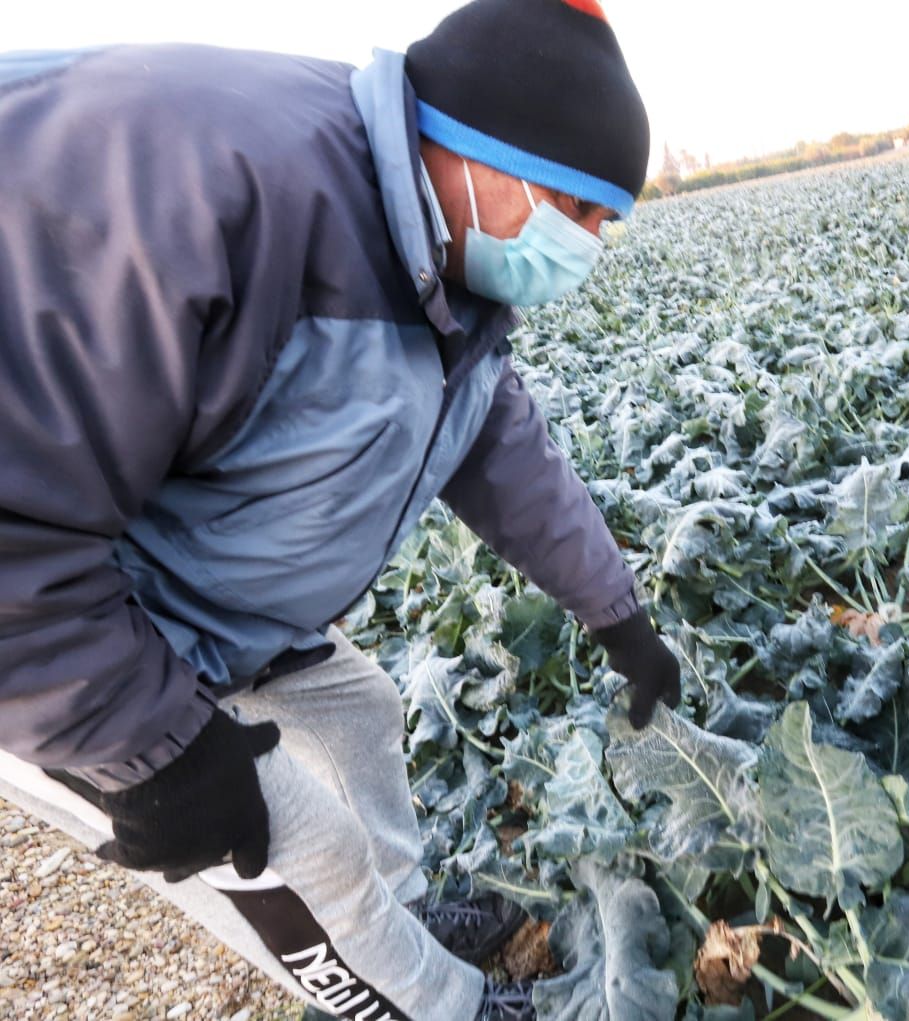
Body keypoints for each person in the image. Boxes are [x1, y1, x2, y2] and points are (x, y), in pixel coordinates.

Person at [0, 1, 681, 1018]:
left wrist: (615, 613)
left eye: (602, 223)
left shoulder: (445, 261)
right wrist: (154, 750)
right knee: (296, 849)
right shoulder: (203, 189)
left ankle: (397, 916)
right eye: (576, 209)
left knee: (360, 712)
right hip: (52, 640)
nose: (584, 245)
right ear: (479, 152)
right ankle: (425, 1006)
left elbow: (499, 445)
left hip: (172, 589)